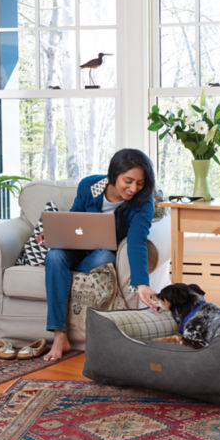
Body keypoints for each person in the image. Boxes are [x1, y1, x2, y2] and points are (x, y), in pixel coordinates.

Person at [40, 148, 158, 361]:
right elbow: (74, 220)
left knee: (103, 256)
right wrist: (51, 235)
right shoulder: (89, 186)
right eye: (128, 181)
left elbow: (136, 241)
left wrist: (142, 283)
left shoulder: (143, 202)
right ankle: (60, 336)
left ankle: (65, 275)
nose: (133, 188)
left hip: (102, 255)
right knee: (54, 257)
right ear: (114, 175)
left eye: (140, 183)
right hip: (77, 248)